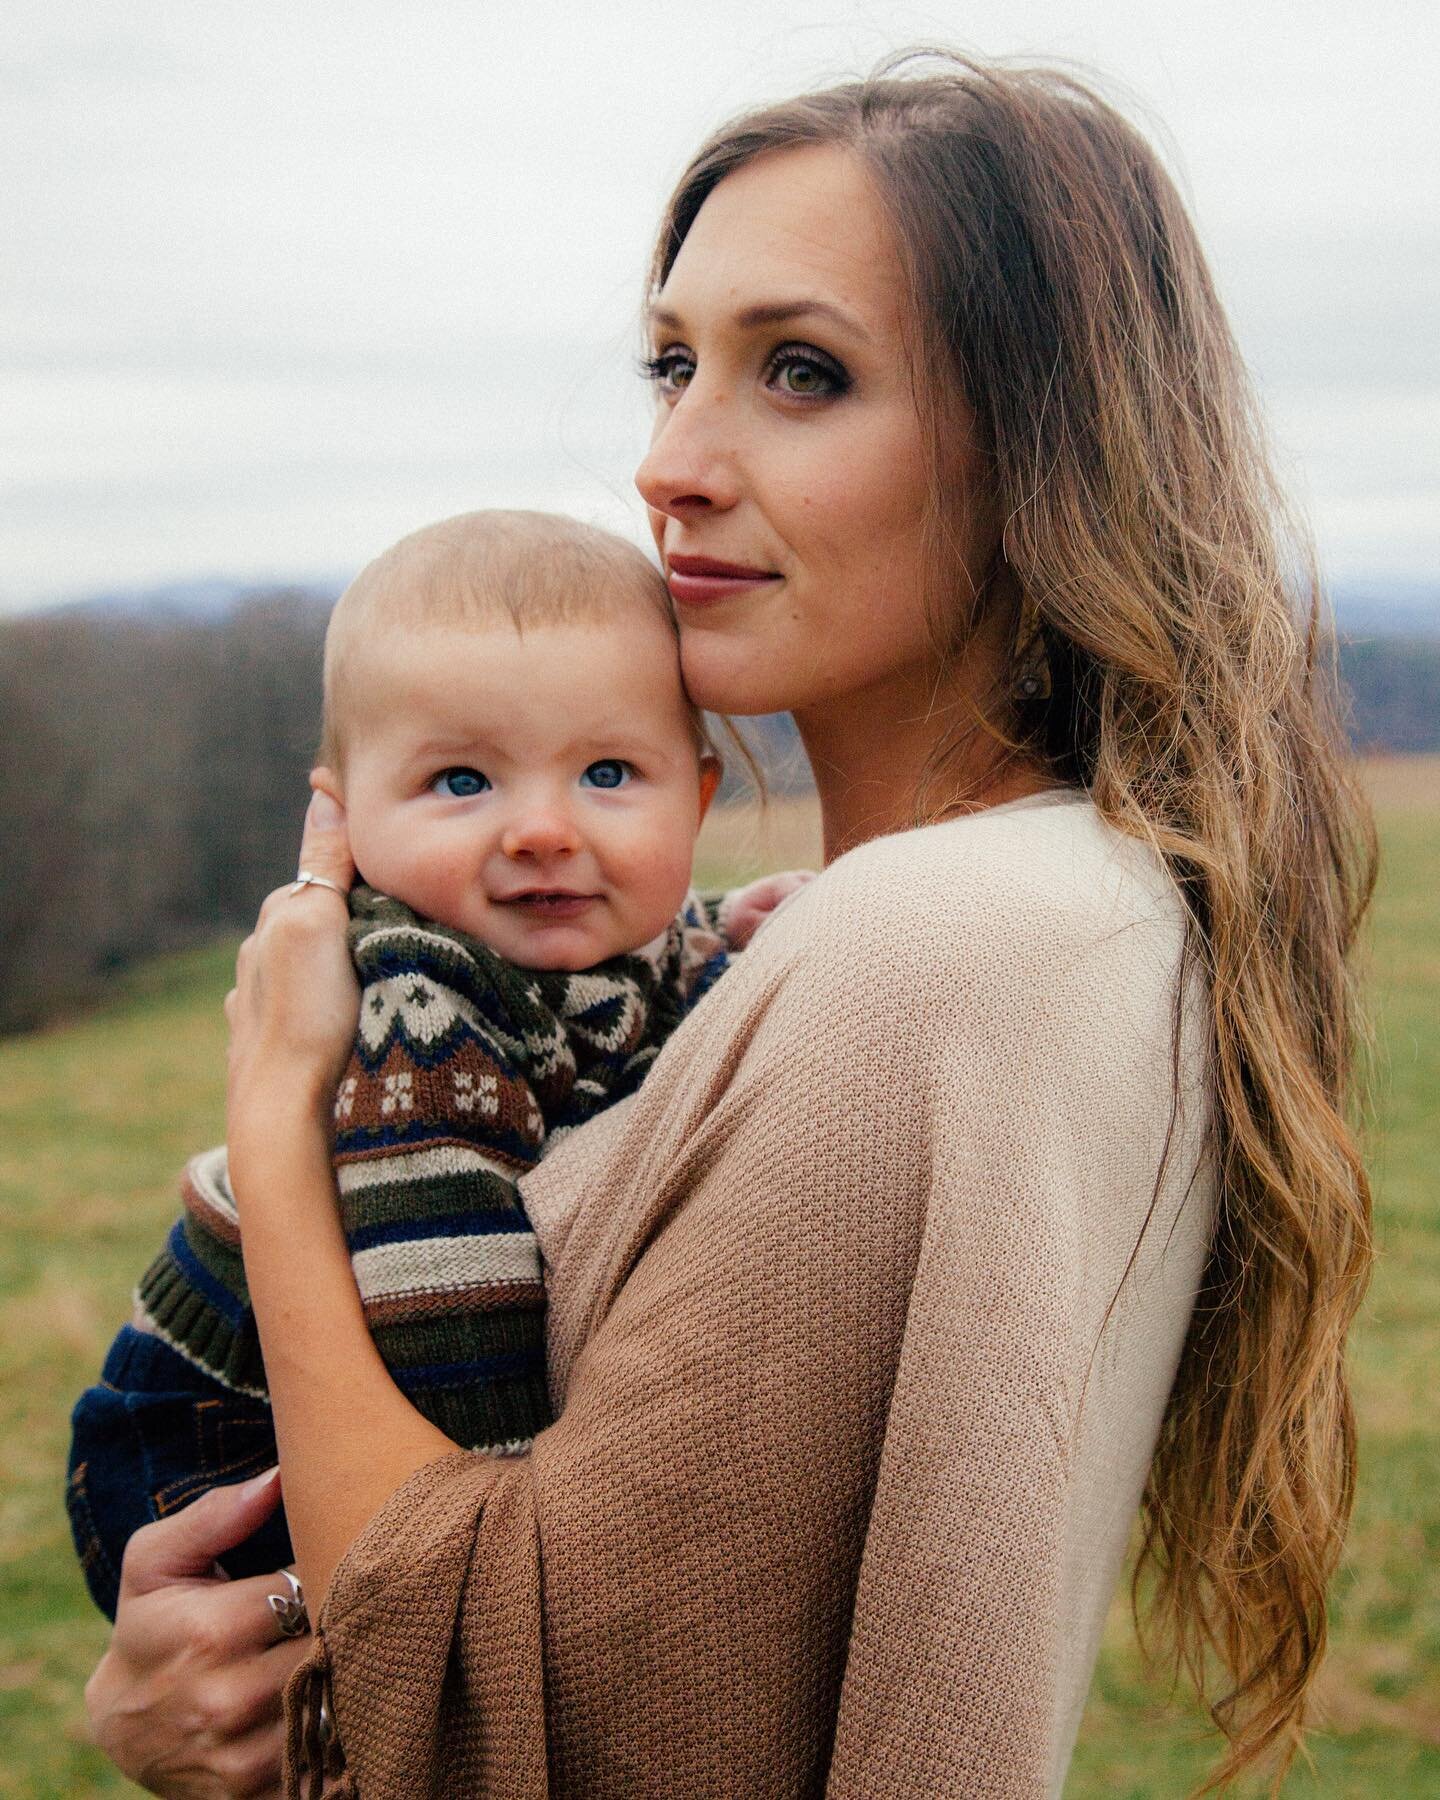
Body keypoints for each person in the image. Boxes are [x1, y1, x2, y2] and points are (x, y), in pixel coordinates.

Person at [83, 54, 1376, 1799]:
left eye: (804, 373)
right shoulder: (1049, 904)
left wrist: (273, 1117)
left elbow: (515, 1707)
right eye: (675, 364)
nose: (670, 462)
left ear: (1043, 450)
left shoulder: (929, 957)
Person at [66, 507, 819, 1619]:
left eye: (609, 772)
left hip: (292, 1390)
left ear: (697, 796)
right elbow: (444, 1296)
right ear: (343, 821)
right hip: (212, 1430)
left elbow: (615, 992)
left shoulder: (582, 936)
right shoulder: (422, 1004)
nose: (543, 831)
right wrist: (513, 1532)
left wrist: (717, 931)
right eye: (464, 782)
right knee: (387, 1661)